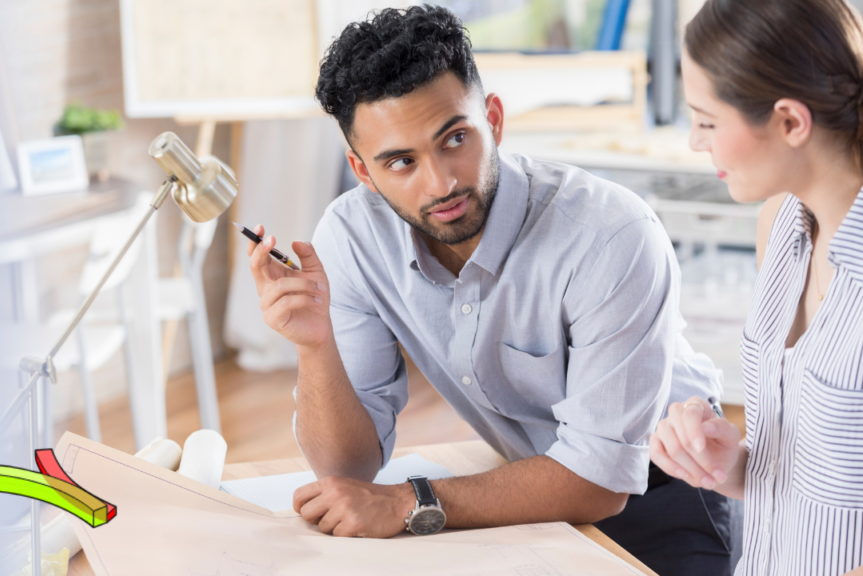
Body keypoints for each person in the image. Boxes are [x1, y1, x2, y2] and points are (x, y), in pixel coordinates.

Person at [245, 5, 733, 574]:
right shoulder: (352, 237)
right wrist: (315, 346)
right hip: (526, 490)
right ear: (363, 171)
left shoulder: (610, 235)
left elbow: (600, 481)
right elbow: (346, 468)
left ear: (494, 120)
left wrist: (411, 502)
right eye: (401, 162)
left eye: (455, 138)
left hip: (667, 489)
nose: (442, 183)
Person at [649, 0, 863, 574]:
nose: (696, 143)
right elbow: (820, 489)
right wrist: (730, 463)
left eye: (706, 121)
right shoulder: (780, 223)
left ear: (790, 122)